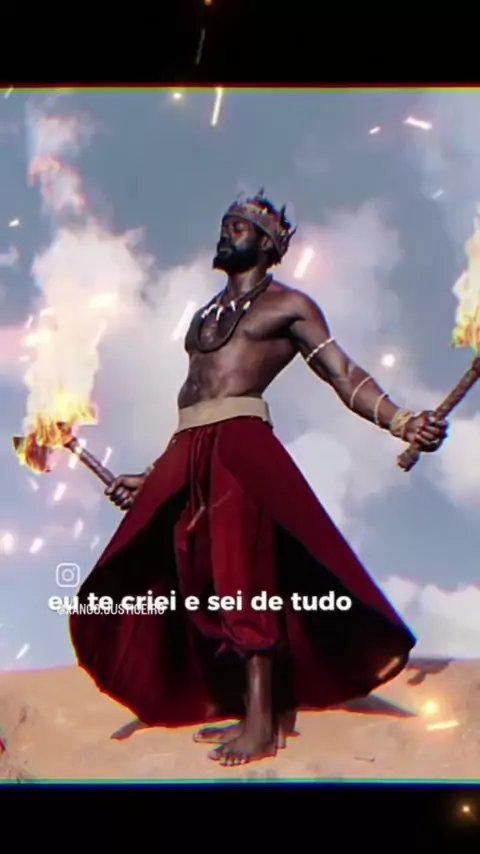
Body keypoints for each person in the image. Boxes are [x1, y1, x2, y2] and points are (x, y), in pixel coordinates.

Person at [70, 191, 448, 767]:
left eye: (239, 228)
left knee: (240, 572)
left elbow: (343, 374)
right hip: (188, 447)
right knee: (196, 575)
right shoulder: (203, 317)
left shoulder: (290, 306)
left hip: (241, 446)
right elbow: (194, 399)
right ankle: (242, 702)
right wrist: (153, 476)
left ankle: (262, 723)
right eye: (225, 224)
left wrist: (400, 420)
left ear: (268, 245)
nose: (226, 234)